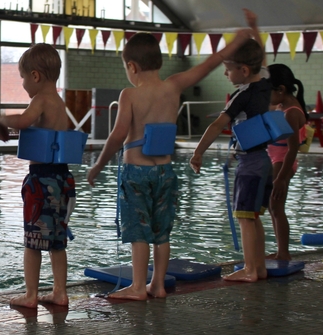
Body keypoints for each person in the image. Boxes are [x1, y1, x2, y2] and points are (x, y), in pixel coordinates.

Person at [88, 29, 251, 299]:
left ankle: (138, 287)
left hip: (136, 174)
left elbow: (117, 136)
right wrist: (239, 40)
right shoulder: (173, 85)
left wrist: (98, 165)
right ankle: (158, 285)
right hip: (165, 172)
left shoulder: (129, 94)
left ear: (132, 66)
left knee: (139, 233)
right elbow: (210, 62)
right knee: (161, 233)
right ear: (160, 62)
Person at [0, 43, 76, 308]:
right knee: (57, 242)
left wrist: (2, 120)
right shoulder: (60, 104)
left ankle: (30, 295)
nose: (22, 83)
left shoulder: (40, 99)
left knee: (32, 241)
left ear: (36, 76)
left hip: (42, 180)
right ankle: (59, 292)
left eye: (22, 77)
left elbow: (23, 121)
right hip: (63, 178)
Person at [190, 27, 272, 283]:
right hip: (265, 162)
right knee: (254, 217)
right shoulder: (266, 84)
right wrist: (254, 28)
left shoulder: (241, 95)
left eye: (228, 69)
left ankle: (249, 269)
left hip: (249, 165)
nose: (225, 73)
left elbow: (216, 125)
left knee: (245, 219)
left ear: (244, 71)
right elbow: (263, 59)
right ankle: (259, 267)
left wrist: (198, 152)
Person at [267, 64, 307, 260]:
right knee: (273, 207)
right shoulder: (281, 106)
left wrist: (281, 178)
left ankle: (284, 252)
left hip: (283, 161)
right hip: (276, 157)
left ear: (281, 89)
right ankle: (280, 249)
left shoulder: (291, 112)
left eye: (269, 92)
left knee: (276, 207)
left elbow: (293, 148)